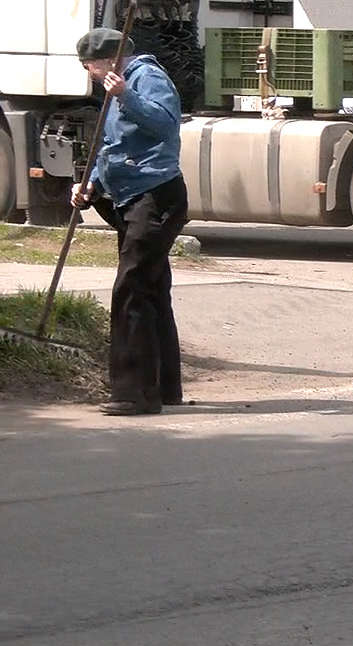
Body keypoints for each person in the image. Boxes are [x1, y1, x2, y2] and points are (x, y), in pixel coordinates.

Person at [70, 28, 188, 417]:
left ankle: (133, 393)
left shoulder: (146, 78)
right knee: (152, 288)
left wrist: (126, 95)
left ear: (107, 60)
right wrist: (90, 185)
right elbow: (114, 146)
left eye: (88, 63)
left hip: (156, 195)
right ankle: (165, 387)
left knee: (131, 288)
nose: (87, 70)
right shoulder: (114, 88)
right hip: (130, 196)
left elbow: (165, 124)